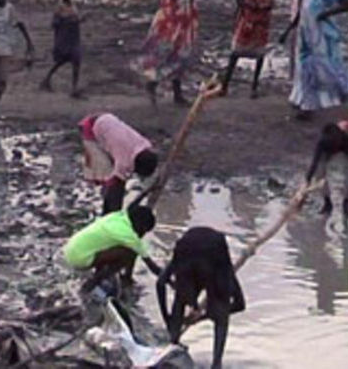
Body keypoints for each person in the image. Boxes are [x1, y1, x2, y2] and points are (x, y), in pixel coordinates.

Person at [279, 0, 348, 120]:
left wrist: (325, 14)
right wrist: (288, 30)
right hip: (306, 37)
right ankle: (306, 107)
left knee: (329, 69)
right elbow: (300, 13)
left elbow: (347, 5)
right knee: (305, 69)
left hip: (322, 37)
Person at [156, 227, 245, 369]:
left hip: (201, 250)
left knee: (180, 300)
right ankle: (216, 363)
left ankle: (173, 342)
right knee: (220, 314)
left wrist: (169, 318)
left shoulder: (190, 270)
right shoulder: (221, 273)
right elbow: (240, 304)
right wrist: (206, 315)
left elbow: (160, 283)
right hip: (199, 250)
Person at [137, 0, 204, 106]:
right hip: (175, 22)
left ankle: (173, 92)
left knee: (174, 57)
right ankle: (156, 86)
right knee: (175, 56)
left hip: (171, 20)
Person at [63, 200, 161, 293]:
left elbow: (132, 206)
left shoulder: (118, 217)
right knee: (129, 252)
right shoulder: (128, 235)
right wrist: (169, 278)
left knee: (116, 245)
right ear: (141, 226)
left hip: (70, 249)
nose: (142, 235)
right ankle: (92, 283)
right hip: (79, 259)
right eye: (144, 231)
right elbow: (152, 266)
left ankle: (123, 277)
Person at [78, 113, 159, 214]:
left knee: (115, 178)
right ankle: (109, 213)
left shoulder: (144, 145)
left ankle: (109, 207)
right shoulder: (124, 158)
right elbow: (117, 180)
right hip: (91, 129)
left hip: (107, 120)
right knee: (109, 177)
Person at [221, 0, 274, 97]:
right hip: (247, 18)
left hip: (261, 20)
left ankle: (254, 87)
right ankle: (225, 85)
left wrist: (263, 6)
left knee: (259, 54)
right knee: (235, 52)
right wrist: (248, 6)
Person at [303, 120, 348, 218]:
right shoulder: (322, 142)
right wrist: (306, 183)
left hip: (346, 147)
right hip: (329, 150)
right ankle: (327, 202)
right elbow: (314, 163)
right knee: (319, 173)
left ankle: (346, 202)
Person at [41, 0, 83, 97]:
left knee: (75, 61)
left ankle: (73, 88)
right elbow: (54, 24)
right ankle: (48, 80)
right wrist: (68, 21)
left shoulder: (72, 6)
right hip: (65, 38)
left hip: (73, 38)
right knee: (65, 60)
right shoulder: (60, 7)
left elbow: (75, 19)